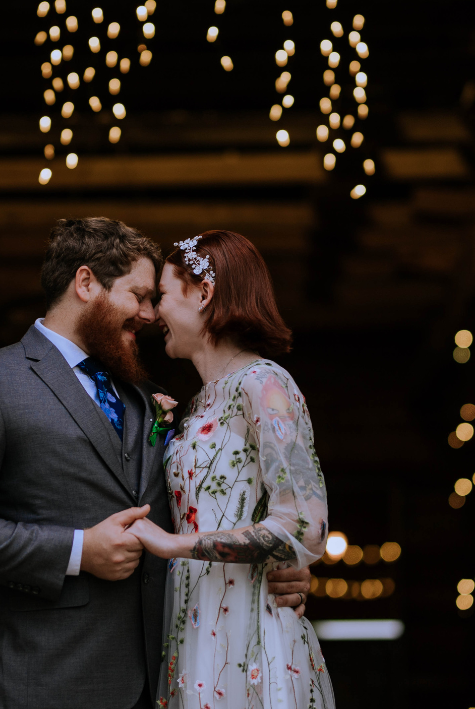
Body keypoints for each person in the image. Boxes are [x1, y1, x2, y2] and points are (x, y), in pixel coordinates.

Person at [0, 218, 312, 709]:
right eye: (139, 296)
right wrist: (79, 550)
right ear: (86, 284)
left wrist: (275, 561)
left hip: (166, 680)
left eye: (155, 298)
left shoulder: (144, 397)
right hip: (41, 682)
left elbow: (205, 502)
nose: (150, 314)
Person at [127, 230, 335, 708]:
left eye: (161, 295)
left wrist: (173, 545)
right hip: (195, 625)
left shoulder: (265, 383)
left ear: (204, 293)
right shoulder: (202, 402)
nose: (154, 312)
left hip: (250, 630)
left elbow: (305, 524)